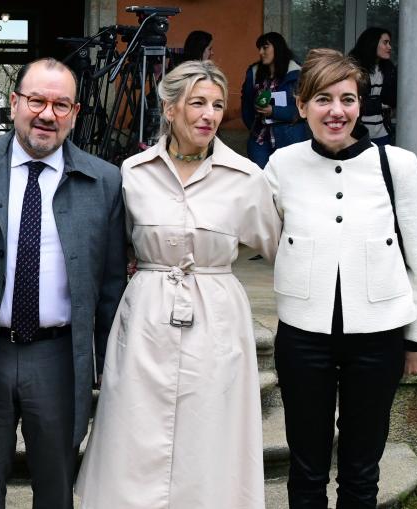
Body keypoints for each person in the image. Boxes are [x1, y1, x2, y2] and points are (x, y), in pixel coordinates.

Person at [75, 60, 281, 509]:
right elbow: (115, 248)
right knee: (134, 428)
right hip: (146, 313)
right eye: (197, 103)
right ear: (170, 110)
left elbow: (279, 246)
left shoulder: (246, 178)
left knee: (209, 430)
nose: (209, 114)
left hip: (217, 315)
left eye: (217, 106)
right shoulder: (133, 172)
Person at [0, 57, 128, 509]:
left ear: (75, 113)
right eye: (37, 100)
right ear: (14, 103)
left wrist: (110, 365)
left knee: (55, 488)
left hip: (58, 357)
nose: (47, 114)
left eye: (61, 104)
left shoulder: (104, 182)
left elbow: (110, 288)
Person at [265, 48, 417, 508]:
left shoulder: (398, 165)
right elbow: (266, 233)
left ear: (359, 104)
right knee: (307, 468)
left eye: (348, 99)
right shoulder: (281, 165)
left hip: (377, 339)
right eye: (323, 99)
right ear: (302, 106)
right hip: (302, 336)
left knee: (361, 469)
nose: (337, 111)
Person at [241, 32, 309, 168]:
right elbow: (246, 104)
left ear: (277, 48)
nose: (261, 52)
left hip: (290, 139)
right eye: (259, 48)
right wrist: (253, 126)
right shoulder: (254, 72)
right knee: (261, 181)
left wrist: (274, 111)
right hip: (260, 140)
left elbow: (305, 109)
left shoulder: (297, 73)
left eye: (265, 48)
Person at [349, 27, 397, 146]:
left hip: (383, 132)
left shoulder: (388, 69)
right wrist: (379, 105)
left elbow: (392, 101)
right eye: (385, 42)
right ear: (372, 43)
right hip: (357, 133)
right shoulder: (352, 68)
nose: (389, 47)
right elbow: (353, 102)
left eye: (389, 43)